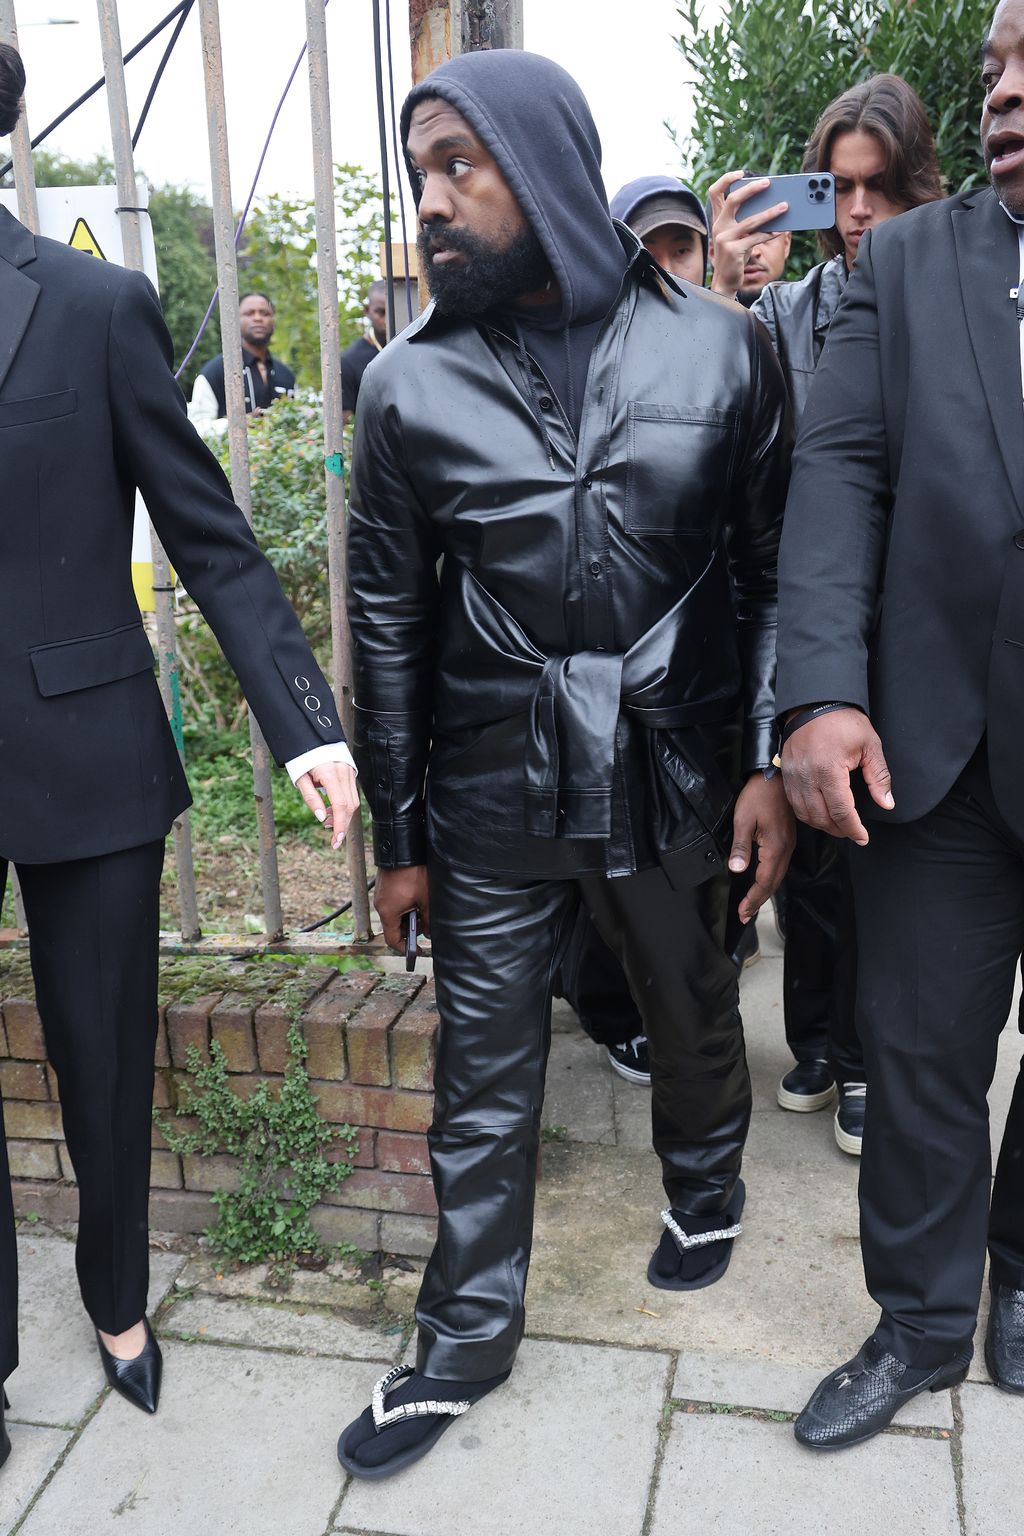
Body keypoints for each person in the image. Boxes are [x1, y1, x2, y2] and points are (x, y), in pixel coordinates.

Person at [339, 48, 793, 1480]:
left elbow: (775, 573)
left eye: (458, 168)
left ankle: (706, 1187)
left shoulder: (722, 347)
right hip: (485, 783)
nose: (431, 202)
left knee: (687, 991)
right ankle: (461, 1338)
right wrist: (398, 838)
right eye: (421, 173)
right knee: (482, 1068)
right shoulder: (406, 389)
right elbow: (386, 623)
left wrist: (768, 760)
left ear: (540, 168)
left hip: (672, 761)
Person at [0, 44, 358, 1472]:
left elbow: (206, 528)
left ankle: (115, 1297)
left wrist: (301, 722)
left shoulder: (90, 307)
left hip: (82, 748)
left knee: (100, 1054)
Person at [775, 0, 1024, 1448]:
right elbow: (839, 479)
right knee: (922, 1046)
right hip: (930, 745)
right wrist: (819, 691)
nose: (1002, 91)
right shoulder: (910, 266)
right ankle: (924, 1322)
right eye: (994, 65)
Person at [736, 77, 944, 1157]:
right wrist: (717, 290)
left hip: (917, 629)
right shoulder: (777, 314)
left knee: (886, 858)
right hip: (805, 609)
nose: (859, 213)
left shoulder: (955, 296)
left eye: (880, 187)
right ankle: (816, 1041)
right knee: (808, 863)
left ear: (916, 190)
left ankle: (865, 1056)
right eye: (840, 188)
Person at [560, 179, 758, 1089]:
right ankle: (616, 1011)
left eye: (683, 248)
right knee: (611, 871)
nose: (665, 266)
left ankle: (689, 1014)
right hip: (612, 679)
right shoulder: (595, 369)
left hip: (711, 673)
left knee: (710, 869)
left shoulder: (734, 345)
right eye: (650, 249)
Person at [188, 292, 296, 426]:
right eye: (249, 313)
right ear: (235, 321)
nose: (258, 318)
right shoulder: (215, 372)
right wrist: (236, 425)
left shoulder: (286, 374)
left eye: (265, 313)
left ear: (274, 321)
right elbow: (197, 427)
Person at [341, 278, 388, 422]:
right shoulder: (349, 361)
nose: (386, 320)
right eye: (381, 312)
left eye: (392, 312)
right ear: (367, 310)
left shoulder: (410, 350)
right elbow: (347, 424)